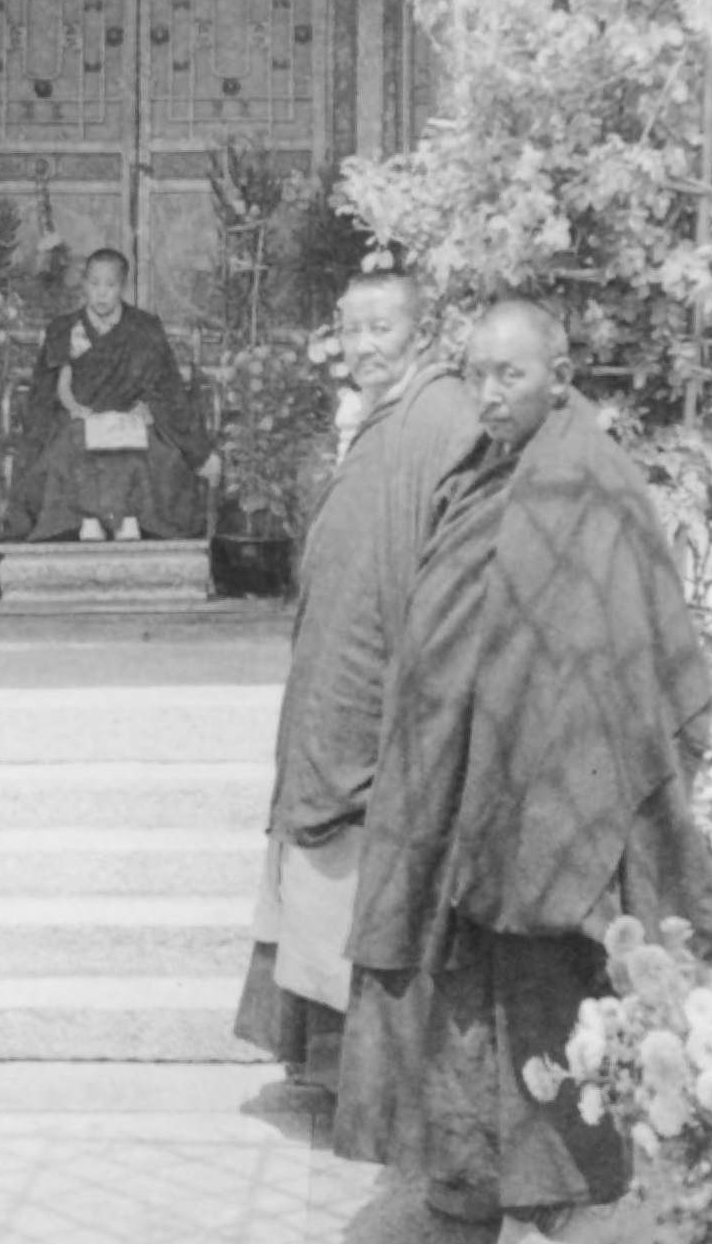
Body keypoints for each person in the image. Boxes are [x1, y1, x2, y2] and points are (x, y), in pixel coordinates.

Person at [334, 299, 712, 1243]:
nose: (490, 394)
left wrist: (552, 772)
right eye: (476, 374)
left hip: (550, 798)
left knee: (546, 988)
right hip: (457, 788)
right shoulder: (480, 474)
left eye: (509, 375)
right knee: (457, 995)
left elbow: (633, 642)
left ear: (558, 373)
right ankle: (465, 1176)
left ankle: (557, 1187)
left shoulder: (590, 482)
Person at [233, 271, 481, 1091]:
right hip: (337, 681)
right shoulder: (380, 418)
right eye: (351, 329)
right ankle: (337, 1067)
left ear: (421, 331)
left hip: (379, 687)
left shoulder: (438, 416)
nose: (365, 346)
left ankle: (369, 1076)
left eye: (382, 328)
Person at [5, 249, 221, 541]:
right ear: (84, 284)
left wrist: (148, 409)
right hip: (79, 416)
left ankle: (122, 520)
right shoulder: (64, 328)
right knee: (73, 445)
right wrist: (76, 410)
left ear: (123, 286)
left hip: (131, 417)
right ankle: (94, 519)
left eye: (110, 285)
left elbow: (166, 387)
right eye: (94, 284)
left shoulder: (144, 327)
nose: (101, 294)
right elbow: (53, 389)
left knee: (146, 452)